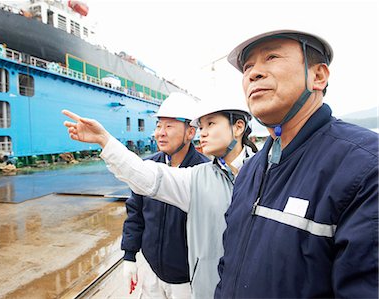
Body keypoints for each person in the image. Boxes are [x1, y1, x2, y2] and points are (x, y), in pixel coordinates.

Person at [214, 29, 378, 298]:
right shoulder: (251, 170)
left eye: (272, 56)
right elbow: (229, 265)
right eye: (247, 66)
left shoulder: (365, 167)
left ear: (318, 76)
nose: (253, 73)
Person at [62, 99, 257, 299]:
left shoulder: (263, 176)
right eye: (201, 126)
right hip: (157, 271)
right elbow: (145, 183)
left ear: (238, 127)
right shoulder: (198, 177)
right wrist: (104, 140)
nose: (203, 133)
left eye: (211, 124)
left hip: (193, 281)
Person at [121, 92, 209, 298]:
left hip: (186, 280)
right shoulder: (148, 168)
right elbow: (135, 214)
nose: (160, 133)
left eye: (169, 126)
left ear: (190, 133)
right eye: (159, 126)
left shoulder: (204, 172)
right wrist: (129, 256)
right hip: (151, 272)